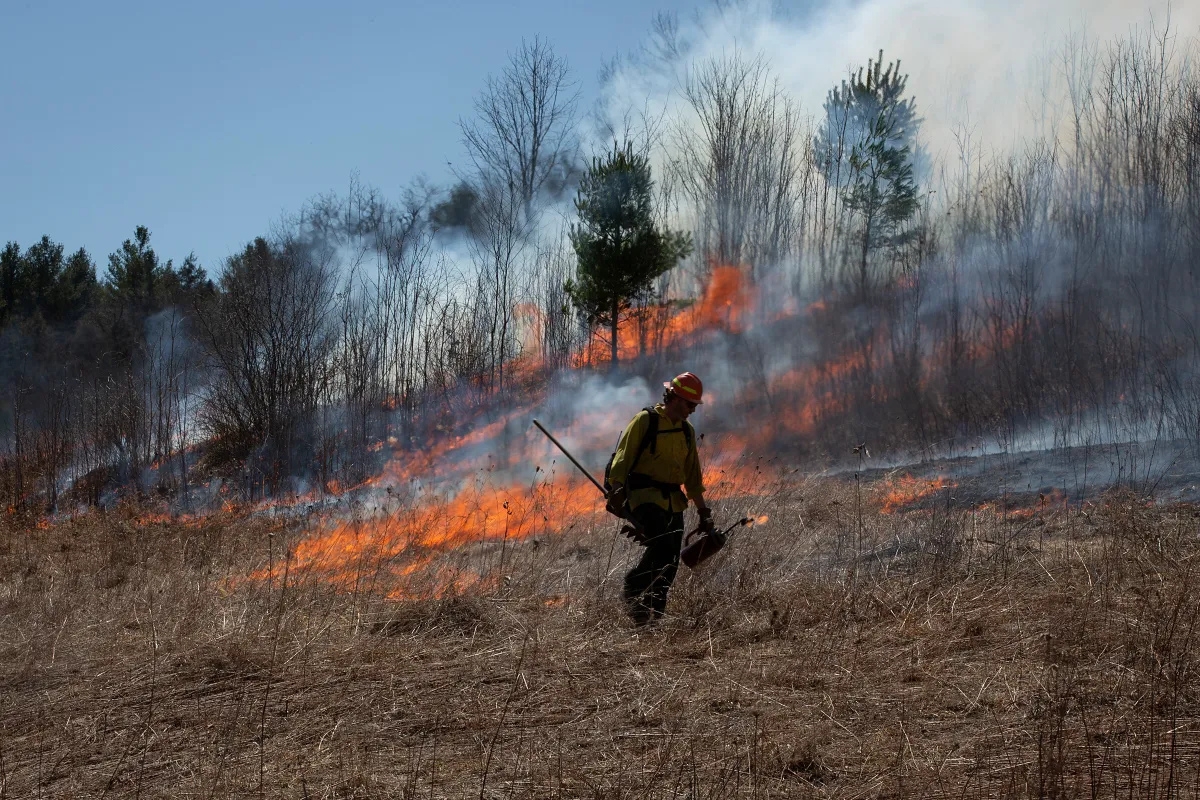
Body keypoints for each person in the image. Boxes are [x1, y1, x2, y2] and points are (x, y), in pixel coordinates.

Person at [606, 372, 714, 625]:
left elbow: (693, 479)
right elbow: (622, 459)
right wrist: (616, 490)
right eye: (689, 404)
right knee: (663, 548)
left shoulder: (687, 431)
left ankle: (653, 616)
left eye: (694, 406)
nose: (692, 411)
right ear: (674, 398)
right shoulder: (646, 421)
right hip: (644, 497)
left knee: (671, 560)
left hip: (673, 501)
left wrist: (704, 512)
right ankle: (634, 587)